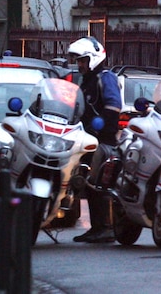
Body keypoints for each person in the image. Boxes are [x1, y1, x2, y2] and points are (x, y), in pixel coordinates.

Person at [68, 36, 122, 243]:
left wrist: (103, 125)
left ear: (93, 59)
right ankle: (97, 226)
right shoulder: (87, 81)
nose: (79, 64)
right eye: (78, 61)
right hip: (87, 137)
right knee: (88, 179)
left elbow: (113, 105)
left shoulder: (105, 78)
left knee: (98, 181)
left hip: (102, 139)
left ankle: (105, 227)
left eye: (82, 60)